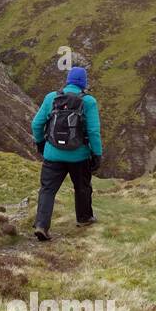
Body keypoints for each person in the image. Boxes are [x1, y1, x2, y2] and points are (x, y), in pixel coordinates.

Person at [31, 66, 103, 240]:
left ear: (68, 80)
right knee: (82, 187)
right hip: (79, 156)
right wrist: (97, 155)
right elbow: (93, 132)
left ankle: (41, 225)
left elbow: (36, 124)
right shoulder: (88, 101)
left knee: (47, 190)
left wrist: (41, 144)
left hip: (52, 155)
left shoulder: (51, 98)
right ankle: (84, 218)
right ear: (84, 83)